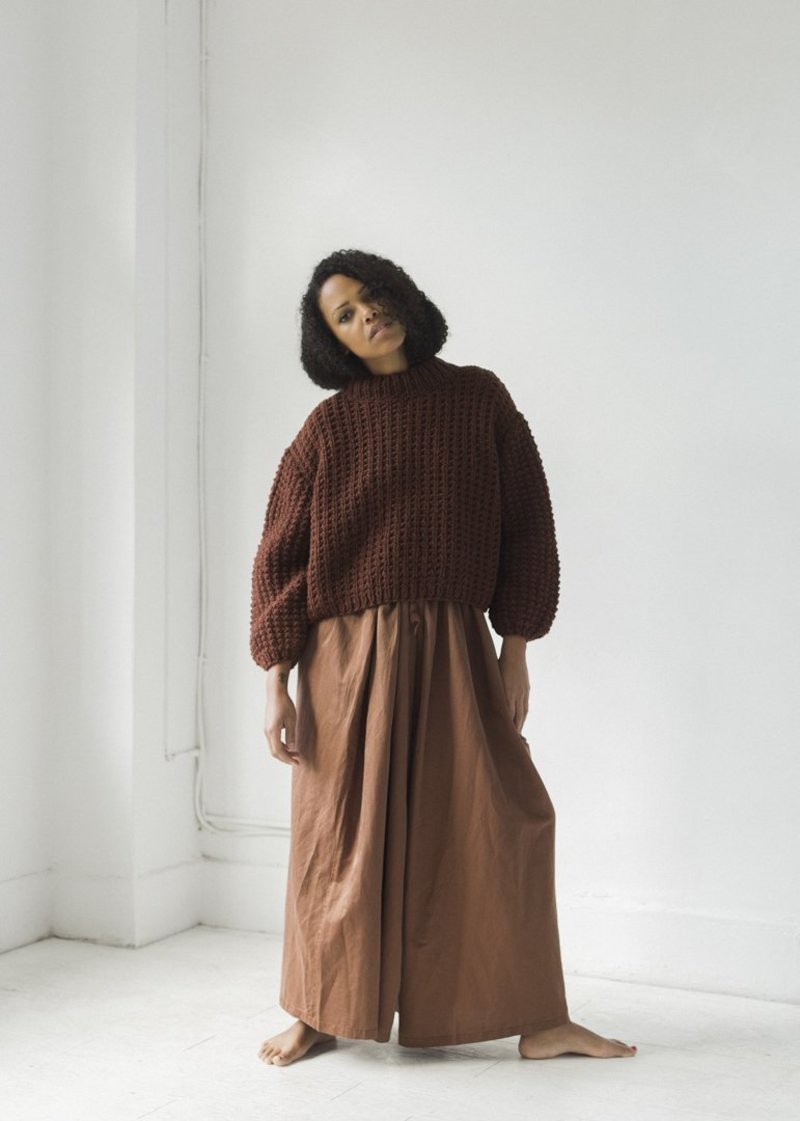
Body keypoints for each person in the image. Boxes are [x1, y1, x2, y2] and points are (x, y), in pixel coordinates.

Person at [250, 248, 638, 1066]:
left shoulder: (479, 399)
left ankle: (540, 1017)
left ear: (400, 294)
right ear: (333, 342)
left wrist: (515, 648)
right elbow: (281, 557)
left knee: (501, 822)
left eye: (371, 296)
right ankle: (319, 1009)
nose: (367, 315)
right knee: (338, 836)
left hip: (457, 646)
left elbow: (528, 526)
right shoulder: (327, 430)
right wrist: (277, 682)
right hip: (344, 658)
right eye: (345, 315)